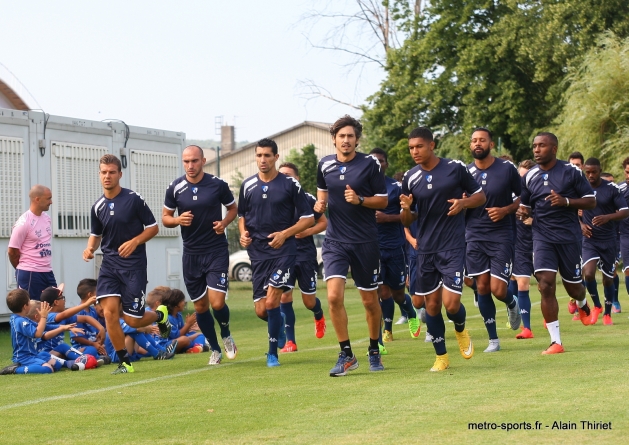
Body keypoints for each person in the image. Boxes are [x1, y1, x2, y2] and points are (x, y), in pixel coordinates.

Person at [400, 127, 486, 372]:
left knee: (451, 305)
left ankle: (460, 328)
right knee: (432, 306)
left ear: (432, 145)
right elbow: (406, 220)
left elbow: (480, 197)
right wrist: (406, 209)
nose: (414, 151)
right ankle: (441, 357)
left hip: (452, 246)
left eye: (419, 146)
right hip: (425, 249)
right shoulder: (410, 177)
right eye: (411, 148)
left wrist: (463, 203)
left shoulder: (455, 168)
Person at [83, 154, 171, 374]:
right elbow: (95, 234)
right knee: (110, 312)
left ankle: (160, 315)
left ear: (120, 174)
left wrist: (135, 241)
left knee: (133, 320)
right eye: (103, 172)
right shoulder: (97, 206)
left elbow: (153, 227)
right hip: (110, 265)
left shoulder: (133, 199)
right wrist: (90, 249)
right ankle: (124, 362)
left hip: (134, 266)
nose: (107, 176)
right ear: (99, 174)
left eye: (112, 172)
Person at [315, 116, 388, 376]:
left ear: (357, 139)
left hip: (365, 241)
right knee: (333, 296)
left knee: (369, 301)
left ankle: (374, 350)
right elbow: (322, 194)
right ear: (333, 138)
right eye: (341, 136)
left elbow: (382, 200)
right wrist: (319, 205)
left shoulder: (370, 164)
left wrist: (360, 200)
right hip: (335, 241)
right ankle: (346, 354)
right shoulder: (324, 164)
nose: (345, 140)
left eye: (350, 136)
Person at [517, 132, 596, 354]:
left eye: (542, 145)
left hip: (569, 238)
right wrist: (522, 213)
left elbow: (591, 201)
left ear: (554, 149)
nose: (536, 149)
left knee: (574, 287)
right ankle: (556, 341)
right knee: (545, 284)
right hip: (542, 237)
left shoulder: (571, 173)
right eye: (534, 146)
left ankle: (581, 302)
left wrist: (566, 201)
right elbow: (526, 206)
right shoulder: (529, 176)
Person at [238, 138, 314, 367]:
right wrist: (243, 234)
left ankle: (272, 353)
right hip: (258, 253)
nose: (263, 160)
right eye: (259, 155)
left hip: (284, 251)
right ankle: (279, 324)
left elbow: (308, 218)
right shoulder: (247, 186)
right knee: (262, 310)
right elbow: (242, 216)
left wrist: (285, 234)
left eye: (267, 156)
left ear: (276, 157)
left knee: (272, 302)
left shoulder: (290, 185)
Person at [162, 145, 238, 365]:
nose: (190, 165)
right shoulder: (175, 187)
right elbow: (166, 216)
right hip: (191, 253)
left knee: (217, 302)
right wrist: (177, 220)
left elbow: (233, 208)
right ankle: (214, 349)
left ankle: (226, 333)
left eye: (194, 161)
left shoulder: (217, 184)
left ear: (203, 161)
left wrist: (224, 223)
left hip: (215, 250)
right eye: (186, 161)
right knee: (200, 307)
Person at [465, 128, 522, 353]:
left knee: (498, 289)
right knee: (482, 287)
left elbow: (522, 198)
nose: (477, 144)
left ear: (491, 145)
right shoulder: (465, 172)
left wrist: (506, 210)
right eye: (474, 141)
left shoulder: (507, 169)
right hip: (474, 235)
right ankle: (493, 340)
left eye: (482, 140)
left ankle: (512, 302)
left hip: (501, 235)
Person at [369, 148, 421, 342]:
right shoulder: (361, 187)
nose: (377, 164)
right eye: (374, 161)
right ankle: (386, 331)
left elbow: (407, 217)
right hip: (372, 247)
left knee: (398, 293)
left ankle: (410, 312)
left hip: (395, 246)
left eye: (381, 161)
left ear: (386, 164)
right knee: (382, 292)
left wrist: (386, 218)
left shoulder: (396, 187)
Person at [277, 162, 328, 353]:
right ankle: (291, 342)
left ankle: (318, 314)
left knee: (308, 301)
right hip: (283, 255)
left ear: (297, 179)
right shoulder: (275, 199)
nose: (286, 179)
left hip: (305, 255)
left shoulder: (307, 198)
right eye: (282, 175)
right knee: (285, 296)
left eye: (289, 175)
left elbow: (323, 222)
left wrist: (307, 232)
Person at [580, 158, 629, 325]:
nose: (591, 175)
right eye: (588, 172)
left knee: (608, 279)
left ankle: (607, 312)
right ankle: (597, 306)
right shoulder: (580, 188)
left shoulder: (611, 189)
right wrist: (581, 225)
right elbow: (570, 210)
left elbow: (625, 211)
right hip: (590, 240)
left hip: (609, 240)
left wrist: (608, 217)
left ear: (600, 170)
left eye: (594, 172)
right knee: (588, 273)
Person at [8, 185, 56, 300]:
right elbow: (12, 252)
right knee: (32, 310)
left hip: (47, 271)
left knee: (54, 305)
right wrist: (23, 268)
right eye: (48, 198)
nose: (51, 202)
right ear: (37, 199)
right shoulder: (24, 223)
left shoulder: (47, 218)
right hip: (30, 273)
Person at [0, 289, 64, 375]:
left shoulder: (23, 318)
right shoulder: (20, 321)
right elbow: (38, 334)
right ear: (25, 306)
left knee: (57, 365)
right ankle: (15, 370)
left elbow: (43, 326)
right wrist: (43, 317)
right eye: (29, 301)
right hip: (24, 357)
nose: (30, 303)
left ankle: (29, 364)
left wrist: (63, 327)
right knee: (48, 369)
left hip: (33, 354)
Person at [509, 160, 537, 339]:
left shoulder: (539, 194)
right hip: (520, 245)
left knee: (545, 287)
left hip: (541, 244)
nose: (522, 179)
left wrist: (535, 220)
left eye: (525, 176)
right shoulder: (512, 196)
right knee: (521, 283)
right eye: (520, 175)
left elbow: (553, 218)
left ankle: (549, 317)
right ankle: (527, 328)